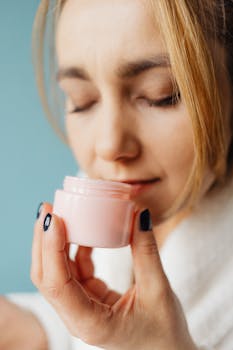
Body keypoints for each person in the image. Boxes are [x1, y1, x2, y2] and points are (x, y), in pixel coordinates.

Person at [1, 0, 233, 349]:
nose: (110, 146)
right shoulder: (107, 196)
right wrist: (36, 329)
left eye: (161, 95)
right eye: (82, 101)